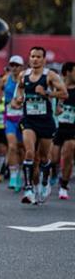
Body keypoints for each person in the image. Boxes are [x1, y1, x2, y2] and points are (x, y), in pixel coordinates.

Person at [10, 46, 66, 204]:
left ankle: (44, 181)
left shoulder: (50, 76)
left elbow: (64, 93)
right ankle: (28, 189)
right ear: (29, 58)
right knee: (29, 152)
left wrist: (48, 93)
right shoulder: (23, 75)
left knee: (43, 157)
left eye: (38, 57)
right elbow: (18, 94)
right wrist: (18, 100)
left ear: (44, 59)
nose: (35, 59)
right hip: (29, 120)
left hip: (46, 121)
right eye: (32, 56)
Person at [1, 55, 26, 191]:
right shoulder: (6, 79)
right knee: (12, 146)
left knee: (22, 148)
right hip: (10, 117)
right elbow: (1, 93)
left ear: (22, 67)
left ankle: (21, 173)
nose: (14, 68)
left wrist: (21, 101)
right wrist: (7, 101)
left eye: (17, 65)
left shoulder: (26, 80)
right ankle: (13, 175)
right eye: (12, 65)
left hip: (23, 118)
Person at [54, 62, 75, 200]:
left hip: (72, 128)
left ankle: (63, 186)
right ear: (67, 72)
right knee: (53, 159)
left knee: (68, 154)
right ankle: (51, 177)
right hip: (56, 127)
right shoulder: (56, 88)